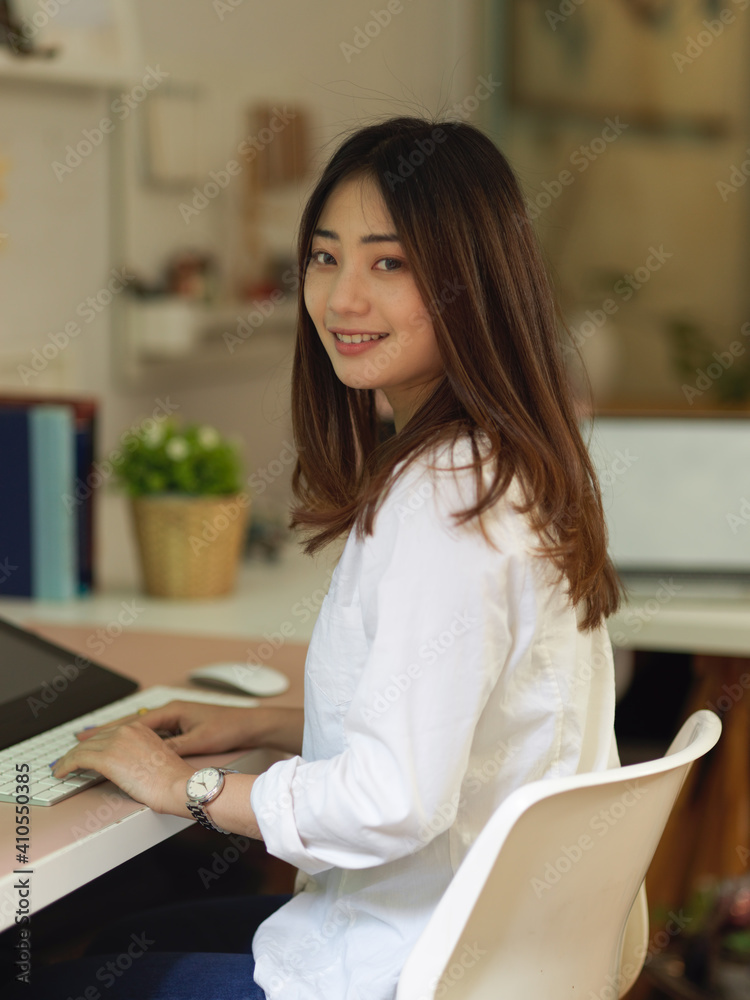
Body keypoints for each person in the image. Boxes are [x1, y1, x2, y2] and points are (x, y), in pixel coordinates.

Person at [31, 116, 622, 1000]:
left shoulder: (444, 502)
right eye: (324, 256)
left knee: (56, 977)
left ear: (473, 281)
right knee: (124, 936)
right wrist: (268, 726)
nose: (343, 299)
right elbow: (461, 713)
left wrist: (180, 787)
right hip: (485, 943)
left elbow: (393, 802)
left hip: (408, 962)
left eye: (390, 263)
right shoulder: (516, 462)